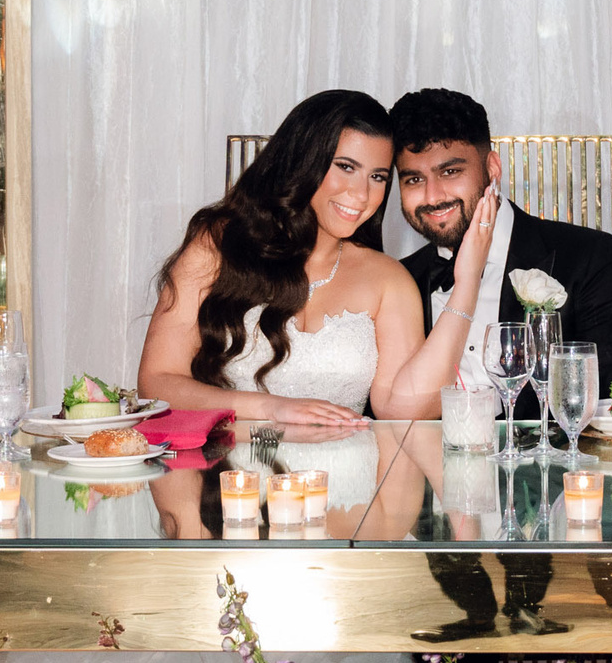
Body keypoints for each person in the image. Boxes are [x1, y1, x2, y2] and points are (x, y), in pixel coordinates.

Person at [138, 88, 491, 424]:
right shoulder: (217, 244)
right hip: (232, 483)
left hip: (346, 481)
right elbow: (157, 382)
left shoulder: (387, 278)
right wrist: (270, 408)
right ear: (304, 160)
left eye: (378, 176)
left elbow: (406, 410)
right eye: (345, 167)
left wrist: (467, 283)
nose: (361, 193)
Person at [388, 87, 612, 417]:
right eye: (414, 179)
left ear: (492, 168)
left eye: (451, 172)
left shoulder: (595, 260)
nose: (433, 196)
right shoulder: (398, 282)